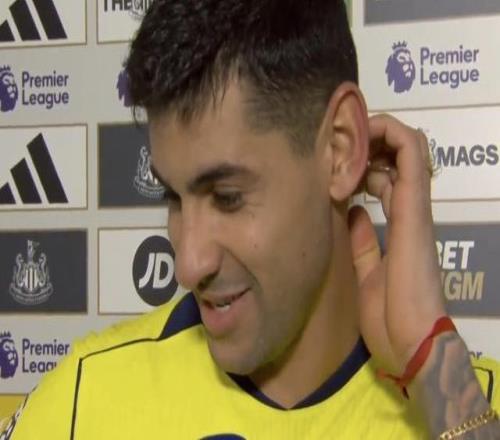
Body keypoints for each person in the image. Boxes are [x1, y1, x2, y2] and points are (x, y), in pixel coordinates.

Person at [2, 0, 499, 438]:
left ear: (340, 149)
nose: (188, 264)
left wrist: (431, 361)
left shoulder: (473, 408)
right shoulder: (83, 400)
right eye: (173, 197)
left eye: (227, 197)